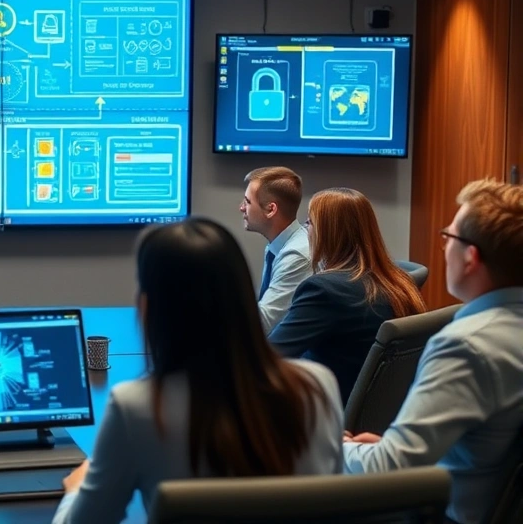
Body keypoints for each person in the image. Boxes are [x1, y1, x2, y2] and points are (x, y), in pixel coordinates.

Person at [52, 218, 344, 524]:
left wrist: (75, 490)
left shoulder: (137, 407)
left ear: (147, 308)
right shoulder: (318, 386)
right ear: (244, 298)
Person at [344, 179, 523, 524]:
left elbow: (387, 470)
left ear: (471, 257)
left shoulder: (466, 345)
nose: (444, 247)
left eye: (449, 237)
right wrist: (387, 449)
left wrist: (332, 446)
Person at [268, 188, 426, 404]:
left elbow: (269, 359)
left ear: (327, 232)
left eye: (310, 223)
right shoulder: (400, 281)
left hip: (325, 415)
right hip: (382, 415)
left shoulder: (324, 290)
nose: (307, 231)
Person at [241, 166, 313, 331]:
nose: (242, 208)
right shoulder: (278, 246)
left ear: (271, 209)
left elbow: (263, 324)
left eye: (247, 202)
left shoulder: (297, 256)